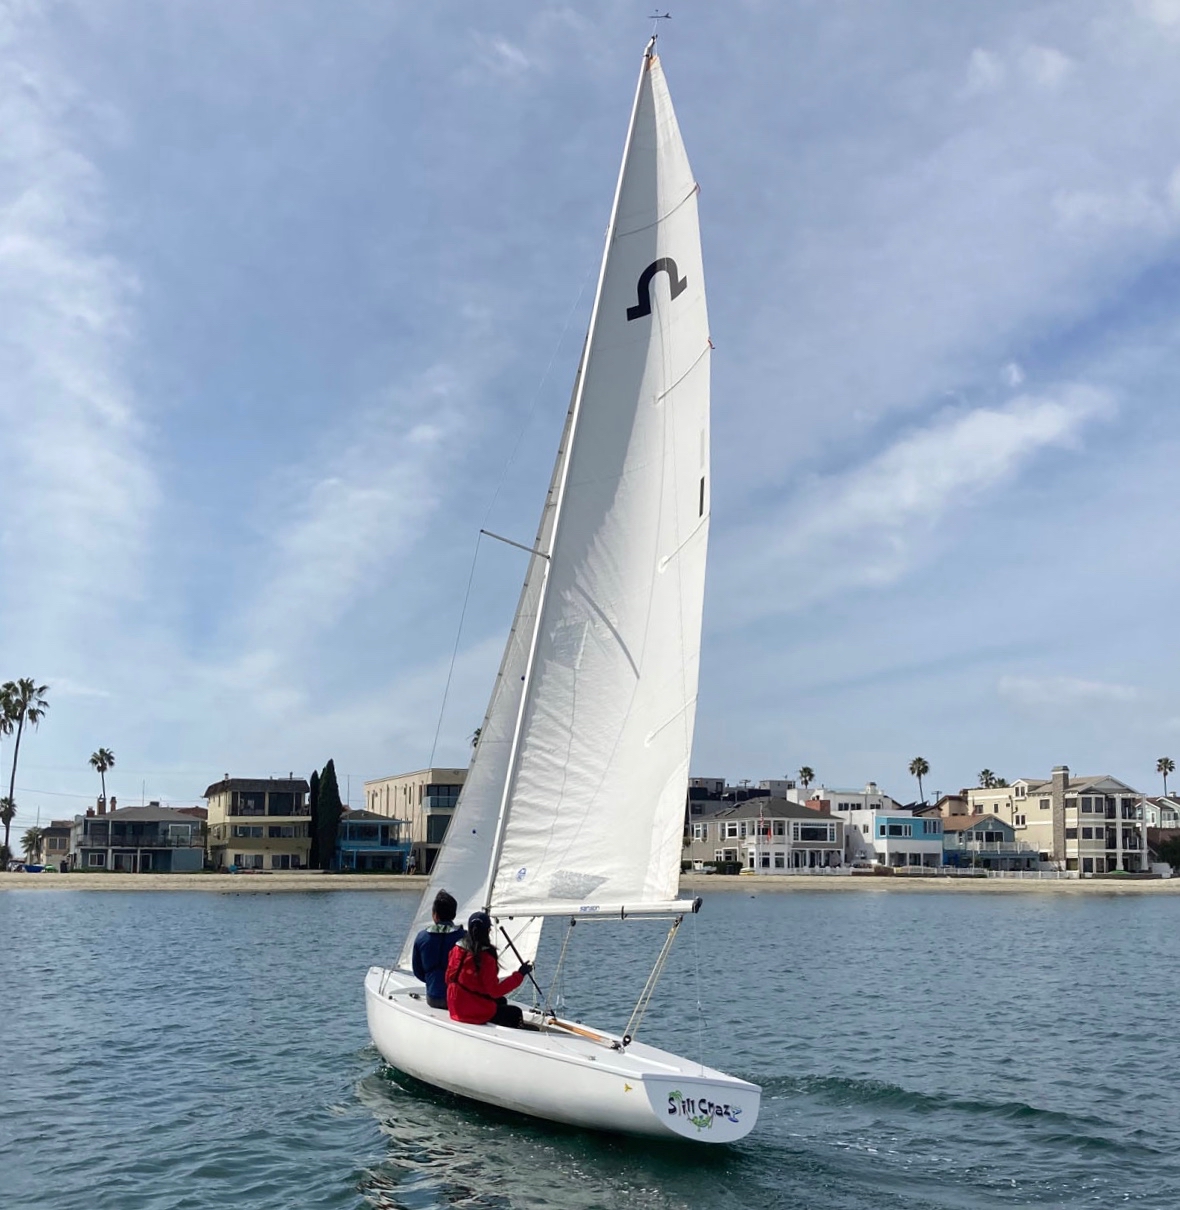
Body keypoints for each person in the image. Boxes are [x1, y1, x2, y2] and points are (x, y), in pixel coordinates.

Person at [446, 911, 532, 1027]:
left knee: (501, 1002)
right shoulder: (486, 957)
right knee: (514, 1012)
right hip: (471, 1013)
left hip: (454, 1006)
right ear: (488, 931)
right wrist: (520, 974)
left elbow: (447, 978)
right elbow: (494, 992)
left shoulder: (456, 949)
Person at [411, 890, 465, 1009]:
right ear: (454, 914)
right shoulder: (465, 937)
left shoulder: (421, 937)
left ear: (435, 915)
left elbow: (418, 971)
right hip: (457, 1000)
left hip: (432, 998)